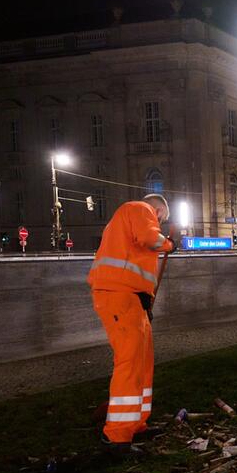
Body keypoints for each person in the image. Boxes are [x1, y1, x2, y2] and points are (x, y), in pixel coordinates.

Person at [88, 194, 175, 453]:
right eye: (161, 218)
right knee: (129, 362)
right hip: (120, 296)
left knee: (141, 361)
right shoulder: (139, 208)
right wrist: (169, 244)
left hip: (132, 298)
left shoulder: (126, 219)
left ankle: (136, 423)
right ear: (158, 210)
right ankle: (116, 435)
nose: (158, 222)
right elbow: (150, 238)